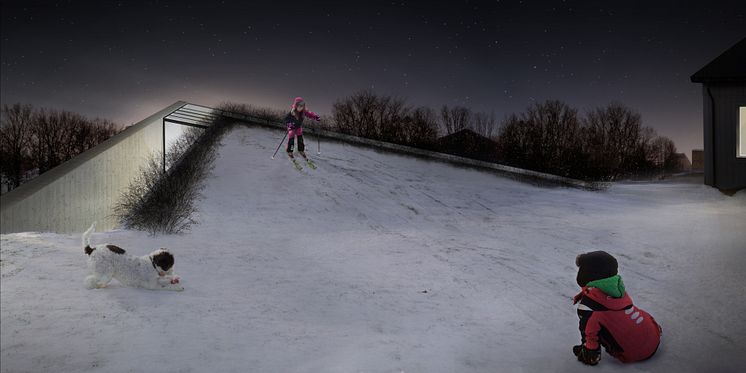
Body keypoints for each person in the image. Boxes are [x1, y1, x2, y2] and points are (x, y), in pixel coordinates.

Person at [572, 251, 662, 366]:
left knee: (591, 322)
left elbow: (589, 333)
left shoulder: (590, 306)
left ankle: (588, 352)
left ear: (586, 274)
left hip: (635, 352)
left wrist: (590, 352)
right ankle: (643, 334)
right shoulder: (617, 288)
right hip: (653, 335)